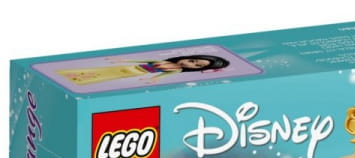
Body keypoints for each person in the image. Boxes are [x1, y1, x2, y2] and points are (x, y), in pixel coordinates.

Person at [56, 54, 229, 85]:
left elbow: (162, 76)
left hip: (136, 72)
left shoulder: (176, 70)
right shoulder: (162, 60)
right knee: (103, 71)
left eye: (197, 66)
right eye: (193, 60)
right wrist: (122, 59)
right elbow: (141, 60)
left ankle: (83, 78)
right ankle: (74, 75)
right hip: (127, 67)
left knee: (104, 77)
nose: (191, 64)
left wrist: (153, 79)